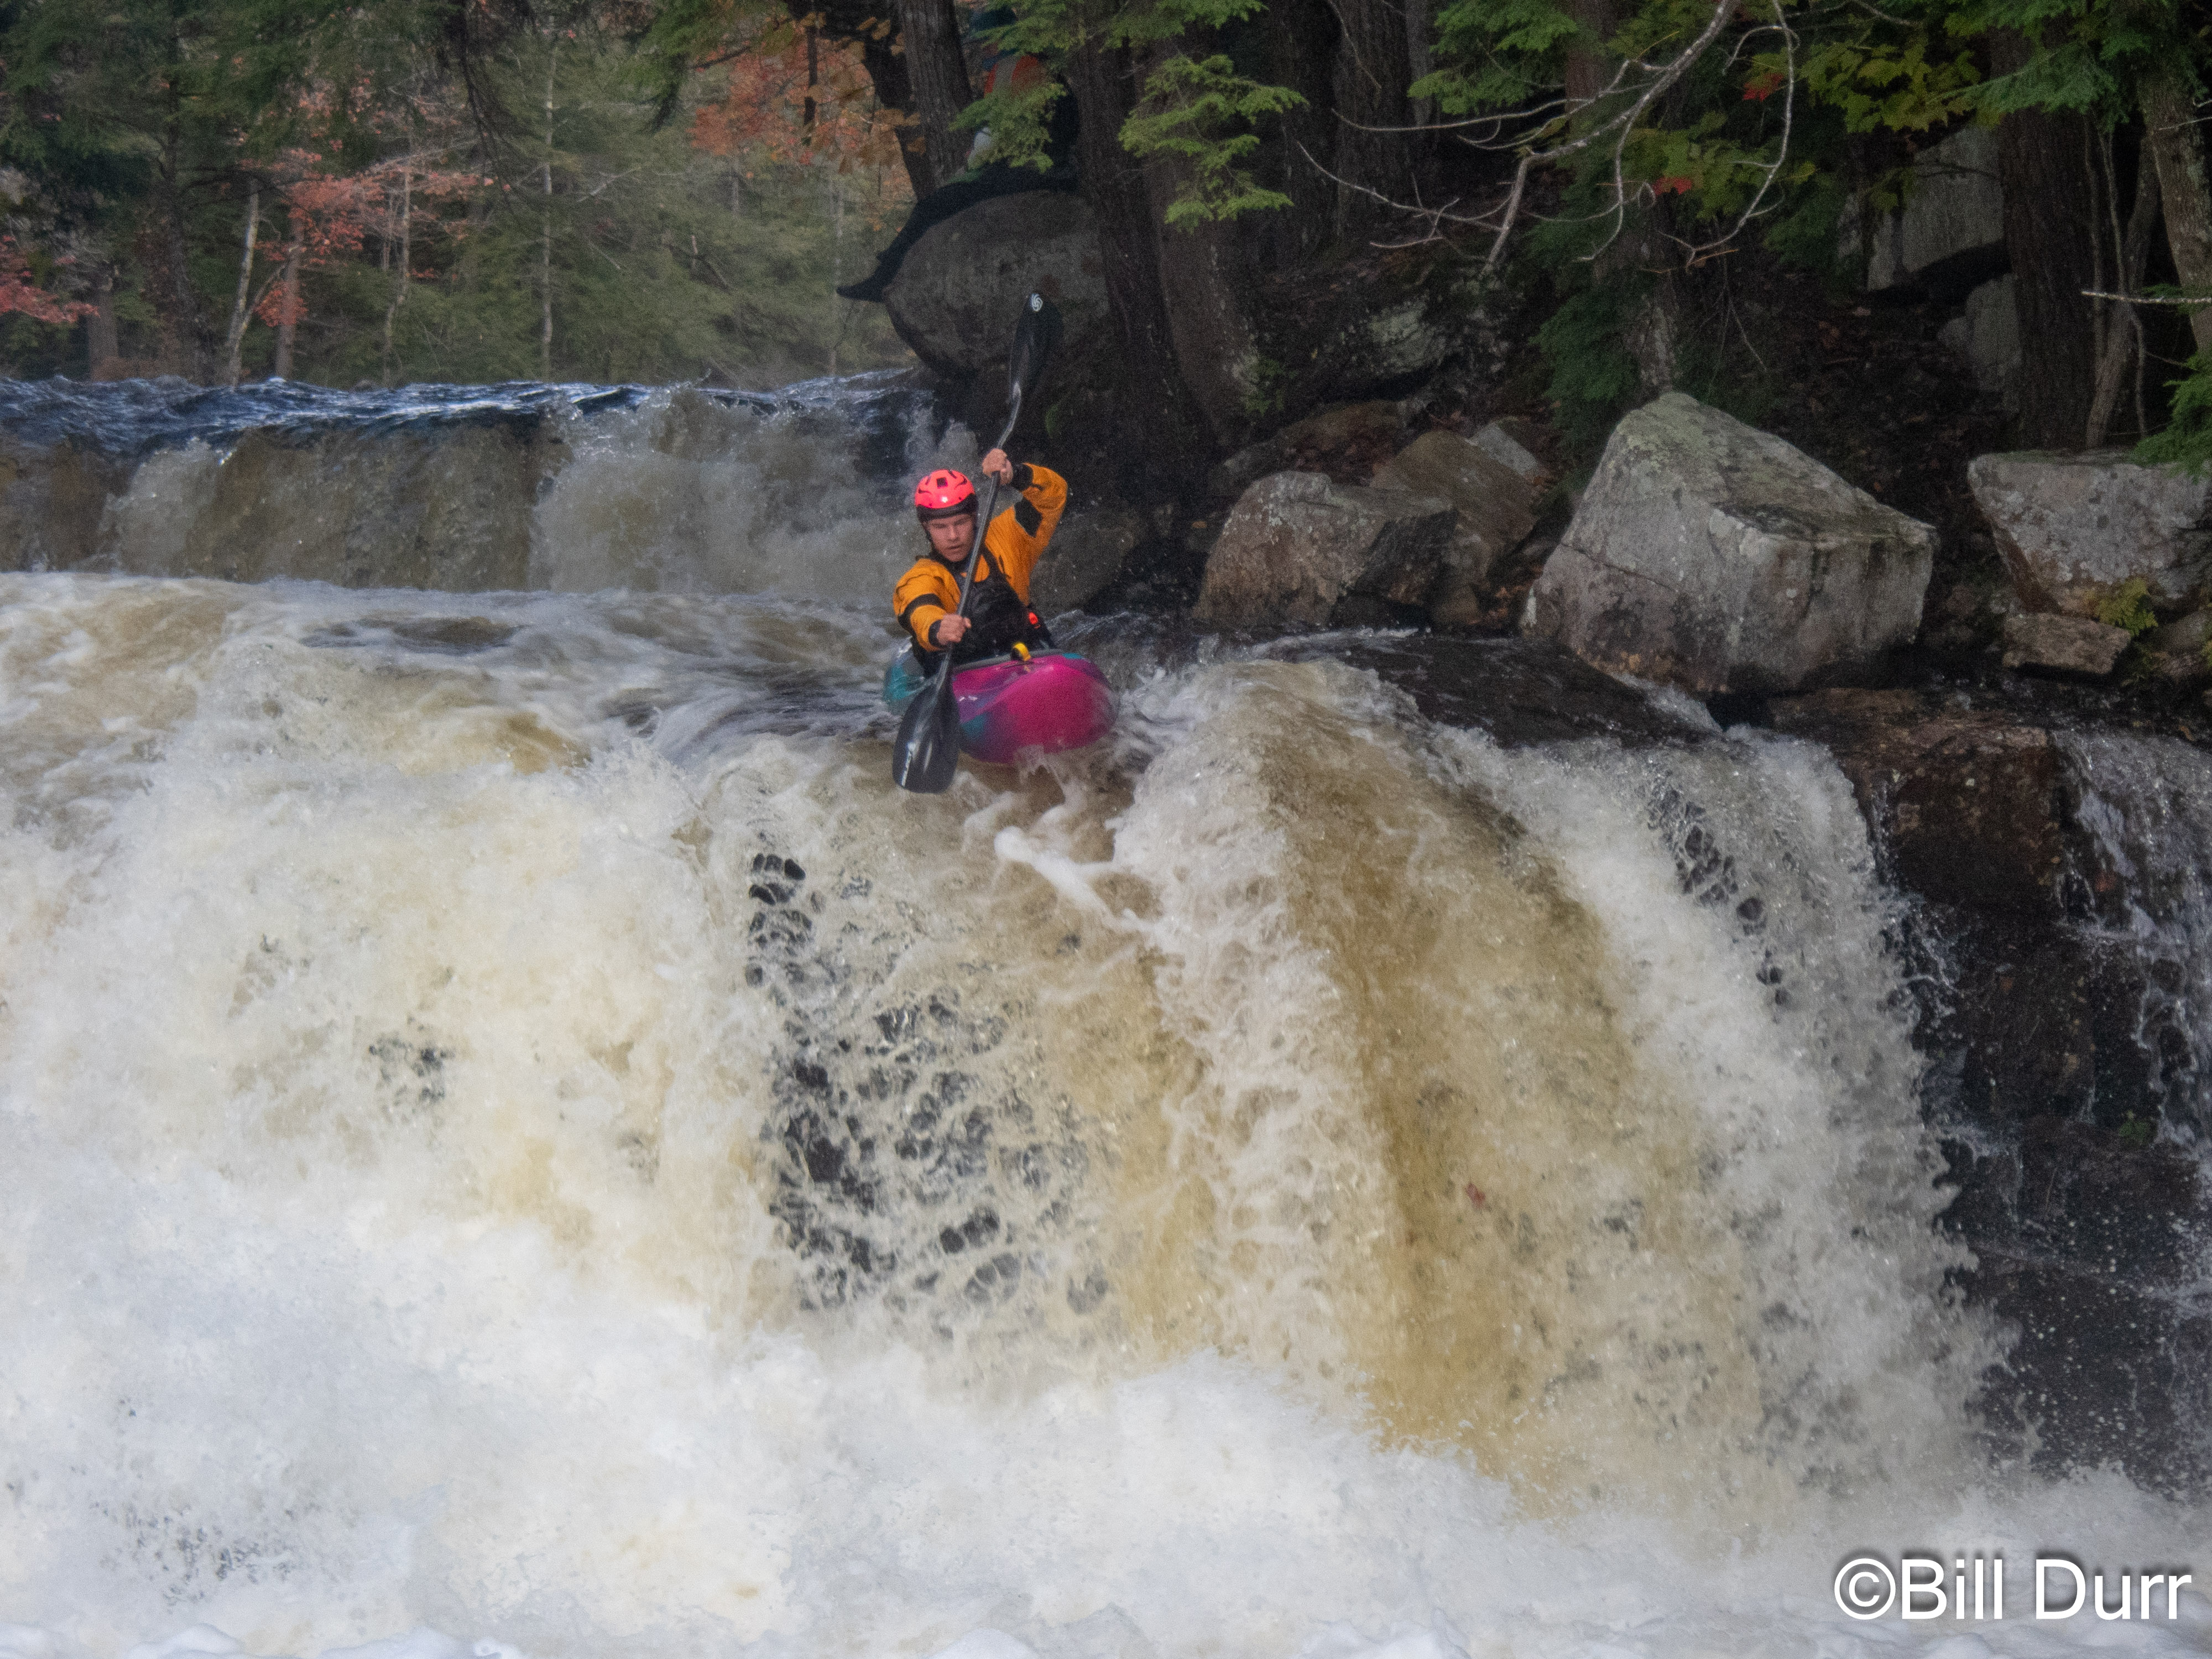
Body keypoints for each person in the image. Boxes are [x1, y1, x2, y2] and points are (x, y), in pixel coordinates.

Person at [893, 447, 1066, 664]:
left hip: (1029, 657)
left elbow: (1054, 497)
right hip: (965, 672)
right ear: (926, 527)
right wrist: (938, 628)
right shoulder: (920, 578)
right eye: (940, 527)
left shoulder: (1008, 536)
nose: (953, 536)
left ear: (974, 517)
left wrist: (1016, 475)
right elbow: (920, 612)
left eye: (961, 522)